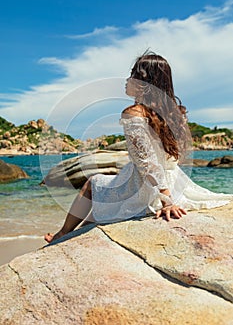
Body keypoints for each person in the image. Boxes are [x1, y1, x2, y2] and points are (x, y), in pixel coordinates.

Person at [45, 52, 233, 243]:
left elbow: (148, 163)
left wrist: (166, 200)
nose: (127, 80)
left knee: (92, 184)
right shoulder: (175, 113)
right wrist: (169, 193)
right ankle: (72, 235)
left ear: (145, 82)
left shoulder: (133, 114)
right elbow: (172, 158)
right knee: (104, 201)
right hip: (174, 182)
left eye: (133, 75)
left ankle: (62, 234)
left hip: (148, 188)